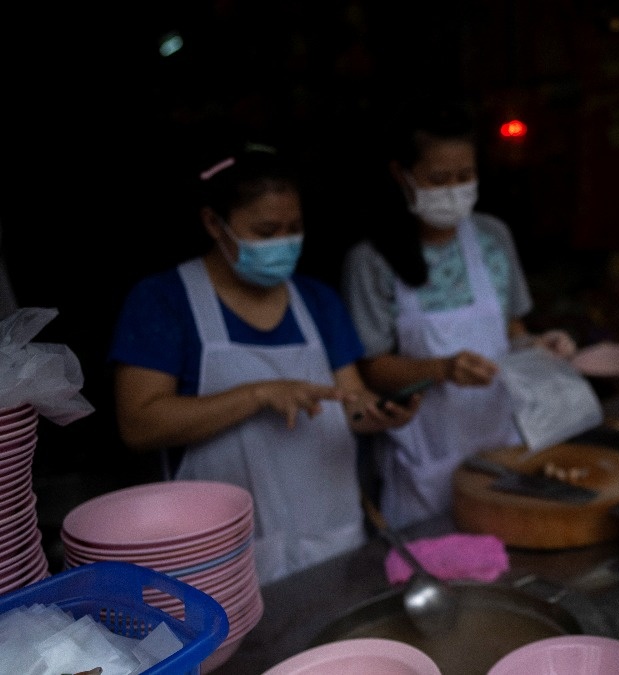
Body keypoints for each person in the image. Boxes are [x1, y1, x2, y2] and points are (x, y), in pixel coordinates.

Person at [109, 143, 418, 585]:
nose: (284, 244)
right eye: (266, 230)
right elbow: (139, 424)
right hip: (225, 558)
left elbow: (349, 402)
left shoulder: (318, 302)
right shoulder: (163, 302)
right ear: (213, 223)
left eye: (294, 229)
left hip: (330, 540)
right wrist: (258, 394)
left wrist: (381, 413)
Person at [341, 100, 577, 530]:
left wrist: (538, 348)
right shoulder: (372, 261)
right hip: (423, 457)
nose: (453, 189)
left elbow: (512, 331)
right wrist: (443, 369)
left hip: (503, 443)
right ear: (402, 175)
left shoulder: (492, 237)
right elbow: (371, 371)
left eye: (464, 177)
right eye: (438, 179)